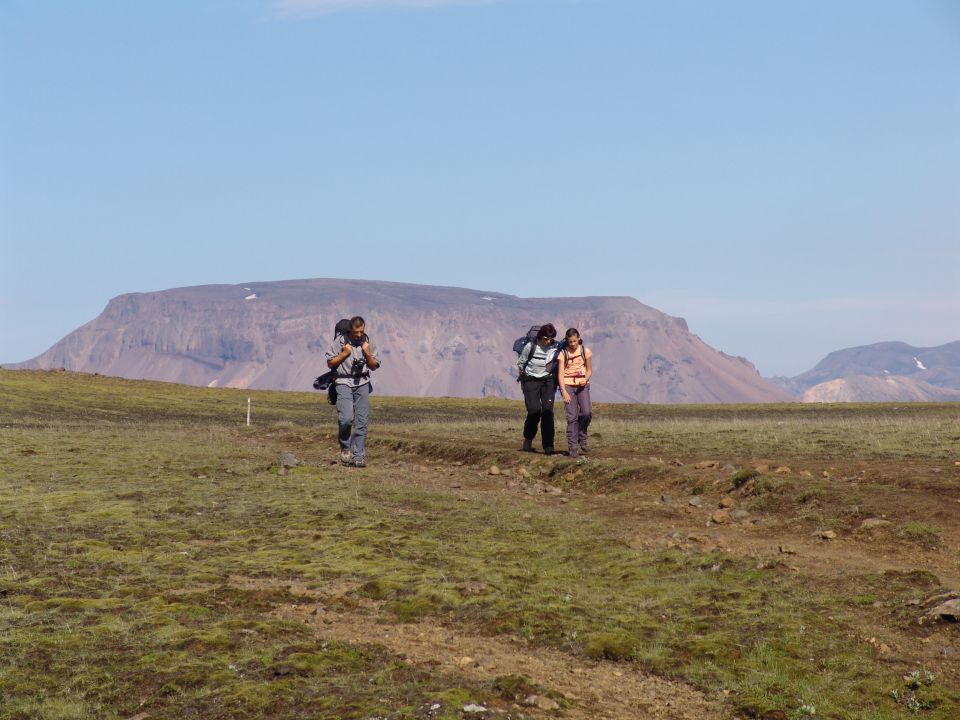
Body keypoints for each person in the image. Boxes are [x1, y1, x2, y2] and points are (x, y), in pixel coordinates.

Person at [325, 316, 380, 467]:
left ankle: (358, 456)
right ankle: (345, 447)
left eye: (361, 331)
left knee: (361, 421)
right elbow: (330, 363)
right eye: (356, 332)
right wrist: (344, 354)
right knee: (346, 419)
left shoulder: (367, 342)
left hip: (362, 382)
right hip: (343, 382)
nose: (358, 335)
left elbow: (374, 366)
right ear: (350, 329)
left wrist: (367, 353)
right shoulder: (341, 342)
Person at [517, 323, 560, 454]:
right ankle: (528, 438)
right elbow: (521, 363)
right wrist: (525, 379)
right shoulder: (530, 346)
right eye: (546, 338)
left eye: (551, 338)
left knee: (547, 412)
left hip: (548, 381)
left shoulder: (554, 347)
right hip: (531, 381)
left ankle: (548, 446)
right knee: (534, 411)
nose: (548, 341)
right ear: (541, 335)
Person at [556, 328, 593, 458]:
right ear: (567, 340)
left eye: (575, 341)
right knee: (572, 417)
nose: (572, 344)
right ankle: (573, 446)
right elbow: (560, 374)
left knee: (587, 413)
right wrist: (563, 391)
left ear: (579, 339)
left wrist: (585, 378)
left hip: (582, 386)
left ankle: (582, 436)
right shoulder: (563, 354)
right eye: (570, 341)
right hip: (568, 386)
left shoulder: (585, 351)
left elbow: (589, 370)